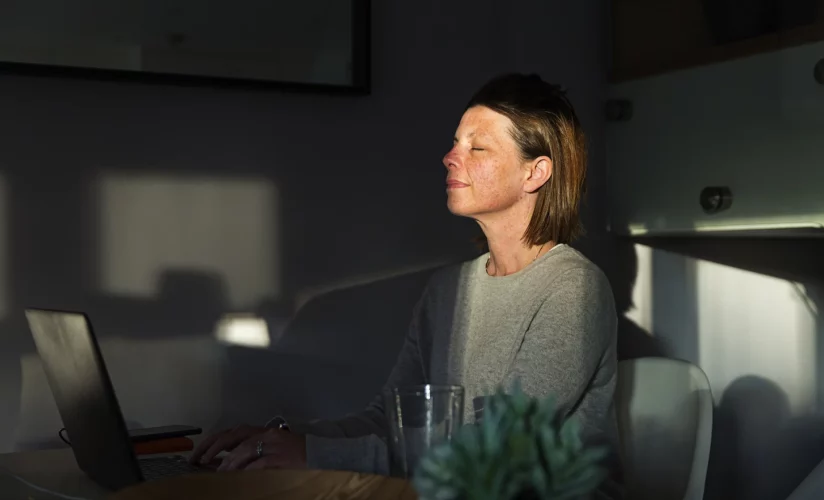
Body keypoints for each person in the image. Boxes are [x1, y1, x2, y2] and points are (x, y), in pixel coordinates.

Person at [190, 73, 621, 493]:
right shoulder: (446, 291)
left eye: (478, 147)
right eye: (456, 143)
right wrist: (279, 440)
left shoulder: (572, 289)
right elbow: (388, 421)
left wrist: (315, 453)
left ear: (535, 173)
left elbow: (501, 451)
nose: (451, 157)